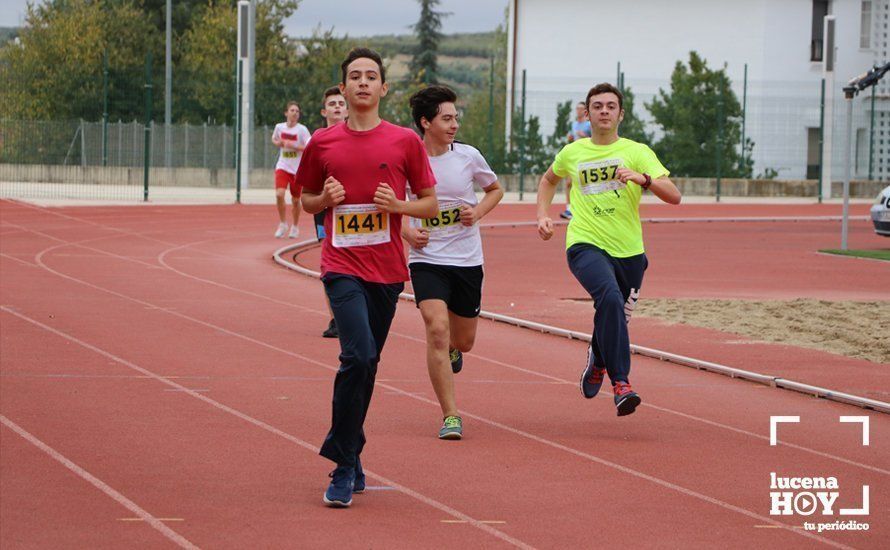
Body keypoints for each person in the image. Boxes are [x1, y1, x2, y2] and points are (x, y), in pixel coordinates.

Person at [298, 47, 438, 508]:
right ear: (342, 88)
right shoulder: (322, 142)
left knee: (368, 364)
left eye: (370, 76)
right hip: (340, 267)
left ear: (383, 88)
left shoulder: (404, 142)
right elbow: (307, 200)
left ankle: (352, 451)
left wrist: (398, 208)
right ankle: (341, 464)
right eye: (353, 76)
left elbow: (430, 205)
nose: (361, 82)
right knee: (356, 356)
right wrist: (325, 200)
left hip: (387, 272)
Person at [536, 83, 681, 417]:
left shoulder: (637, 151)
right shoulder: (573, 152)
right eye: (597, 106)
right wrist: (543, 215)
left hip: (630, 251)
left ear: (621, 114)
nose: (604, 111)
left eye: (610, 106)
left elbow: (674, 195)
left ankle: (598, 358)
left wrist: (642, 178)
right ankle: (621, 384)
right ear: (587, 114)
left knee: (613, 312)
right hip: (585, 243)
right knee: (610, 298)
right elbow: (548, 180)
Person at [403, 85, 503, 440]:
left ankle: (454, 351)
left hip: (466, 259)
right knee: (436, 328)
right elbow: (394, 204)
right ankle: (450, 415)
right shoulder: (409, 159)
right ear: (425, 122)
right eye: (447, 118)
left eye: (455, 117)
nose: (454, 124)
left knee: (464, 339)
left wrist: (476, 212)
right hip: (427, 258)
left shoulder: (468, 157)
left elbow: (495, 190)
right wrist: (406, 232)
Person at [313, 86, 349, 339]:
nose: (337, 106)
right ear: (324, 111)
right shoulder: (318, 140)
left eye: (340, 103)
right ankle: (336, 318)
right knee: (330, 264)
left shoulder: (358, 135)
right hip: (325, 209)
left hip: (353, 209)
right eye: (332, 103)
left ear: (347, 109)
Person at [271, 102, 311, 238]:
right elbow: (274, 139)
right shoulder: (279, 127)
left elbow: (308, 148)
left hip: (297, 170)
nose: (295, 113)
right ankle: (283, 224)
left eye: (297, 111)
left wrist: (294, 146)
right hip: (283, 166)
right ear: (286, 113)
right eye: (292, 110)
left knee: (295, 200)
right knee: (279, 194)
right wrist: (279, 143)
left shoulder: (302, 130)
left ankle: (295, 226)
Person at [561, 102, 592, 220]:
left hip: (586, 156)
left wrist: (584, 136)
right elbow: (572, 137)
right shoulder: (574, 124)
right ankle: (569, 209)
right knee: (569, 183)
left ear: (585, 111)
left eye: (580, 109)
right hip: (575, 156)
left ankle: (584, 208)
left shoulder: (589, 124)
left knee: (585, 183)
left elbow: (595, 139)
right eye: (577, 108)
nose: (578, 111)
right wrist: (570, 138)